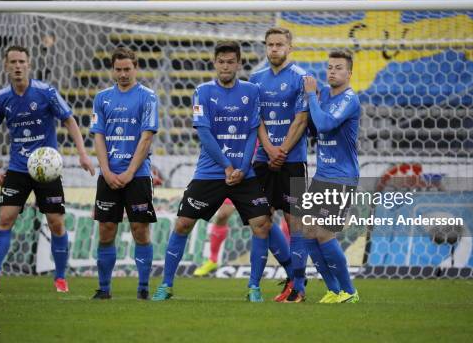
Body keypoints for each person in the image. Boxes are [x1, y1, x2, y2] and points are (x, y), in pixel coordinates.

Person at [0, 45, 95, 292]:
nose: (17, 66)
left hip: (46, 168)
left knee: (56, 222)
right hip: (18, 168)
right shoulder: (2, 97)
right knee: (5, 218)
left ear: (29, 64)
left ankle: (60, 278)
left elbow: (69, 119)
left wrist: (83, 154)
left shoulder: (46, 92)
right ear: (6, 66)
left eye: (21, 61)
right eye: (12, 62)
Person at [152, 41, 272, 302]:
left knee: (262, 225)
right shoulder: (202, 91)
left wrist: (242, 167)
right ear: (215, 63)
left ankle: (254, 287)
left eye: (231, 61)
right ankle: (166, 284)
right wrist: (228, 166)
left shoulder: (251, 91)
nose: (226, 66)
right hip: (210, 172)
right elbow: (204, 134)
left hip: (243, 173)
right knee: (183, 223)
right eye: (222, 61)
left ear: (239, 64)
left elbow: (253, 131)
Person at [89, 47, 159, 300]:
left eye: (127, 69)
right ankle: (104, 288)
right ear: (112, 70)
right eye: (118, 69)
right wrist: (106, 171)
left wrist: (130, 172)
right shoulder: (102, 98)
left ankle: (143, 288)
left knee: (140, 229)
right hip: (108, 175)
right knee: (106, 228)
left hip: (137, 176)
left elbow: (146, 137)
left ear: (135, 67)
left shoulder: (148, 97)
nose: (122, 74)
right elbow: (98, 136)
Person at [249, 27, 310, 302]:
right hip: (264, 160)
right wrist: (270, 149)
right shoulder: (255, 79)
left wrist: (282, 150)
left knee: (294, 222)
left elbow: (301, 119)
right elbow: (256, 119)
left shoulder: (302, 78)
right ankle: (289, 275)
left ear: (290, 47)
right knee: (261, 219)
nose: (274, 49)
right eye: (270, 44)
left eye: (279, 44)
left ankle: (298, 288)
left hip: (293, 161)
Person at [302, 50, 360, 304]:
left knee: (324, 232)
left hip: (342, 175)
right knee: (308, 232)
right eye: (329, 67)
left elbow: (325, 124)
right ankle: (333, 290)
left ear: (349, 73)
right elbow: (314, 127)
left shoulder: (350, 99)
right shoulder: (324, 94)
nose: (332, 71)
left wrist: (310, 98)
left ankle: (349, 291)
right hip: (322, 173)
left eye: (338, 67)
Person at [193, 200, 234, 276]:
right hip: (231, 189)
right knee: (222, 215)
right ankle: (213, 260)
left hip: (250, 190)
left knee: (259, 222)